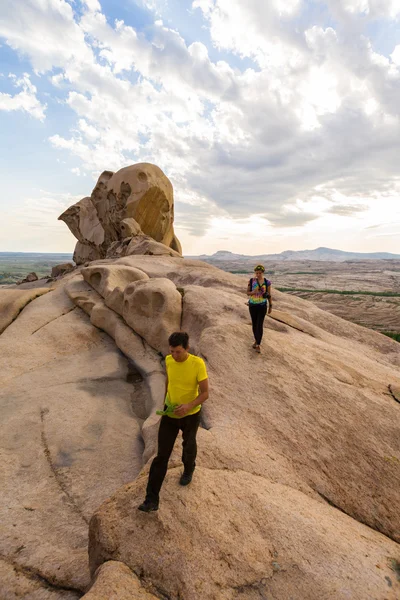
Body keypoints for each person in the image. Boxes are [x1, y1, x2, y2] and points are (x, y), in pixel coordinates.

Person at [138, 331, 209, 512]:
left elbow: (205, 393)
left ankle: (188, 468)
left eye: (178, 351)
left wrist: (188, 406)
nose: (174, 355)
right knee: (161, 456)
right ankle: (151, 500)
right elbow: (169, 382)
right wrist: (164, 404)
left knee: (189, 446)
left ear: (186, 348)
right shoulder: (169, 360)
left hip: (191, 415)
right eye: (171, 351)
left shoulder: (197, 364)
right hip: (170, 414)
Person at [247, 264, 272, 353]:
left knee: (259, 324)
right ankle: (256, 340)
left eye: (259, 273)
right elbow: (247, 293)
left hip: (262, 306)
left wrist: (270, 306)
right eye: (256, 273)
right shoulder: (251, 281)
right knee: (254, 324)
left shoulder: (267, 282)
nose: (258, 275)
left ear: (262, 273)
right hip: (253, 305)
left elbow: (269, 295)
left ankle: (258, 344)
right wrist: (254, 292)